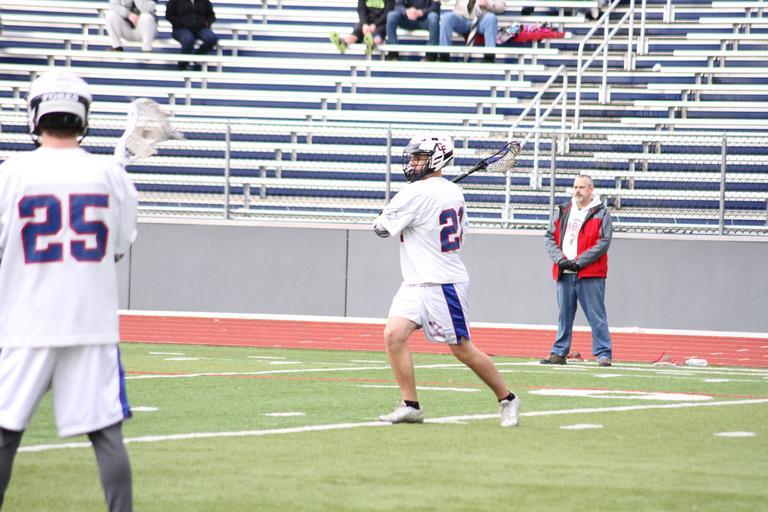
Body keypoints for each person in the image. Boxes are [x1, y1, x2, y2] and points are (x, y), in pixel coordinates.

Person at [0, 71, 138, 511]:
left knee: (4, 432)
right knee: (106, 434)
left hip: (23, 322)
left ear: (36, 114)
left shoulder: (10, 174)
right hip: (89, 323)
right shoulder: (109, 174)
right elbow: (118, 248)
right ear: (82, 116)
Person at [373, 134, 520, 427]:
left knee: (462, 349)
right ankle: (410, 405)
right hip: (416, 281)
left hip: (442, 283)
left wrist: (386, 213)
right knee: (394, 334)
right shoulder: (452, 191)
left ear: (437, 159)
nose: (413, 163)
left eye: (419, 157)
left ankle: (508, 398)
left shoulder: (414, 193)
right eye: (413, 157)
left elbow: (380, 229)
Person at [541, 174, 613, 367]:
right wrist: (560, 260)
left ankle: (603, 353)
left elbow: (603, 242)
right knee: (564, 316)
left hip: (590, 274)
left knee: (596, 316)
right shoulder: (564, 210)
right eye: (575, 187)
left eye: (581, 187)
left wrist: (579, 262)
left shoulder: (601, 213)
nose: (577, 191)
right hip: (564, 272)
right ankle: (559, 352)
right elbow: (549, 237)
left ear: (591, 189)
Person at [439, 0, 506, 63]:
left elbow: (502, 7)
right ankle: (444, 56)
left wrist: (488, 3)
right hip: (461, 19)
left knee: (491, 18)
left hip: (481, 20)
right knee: (446, 17)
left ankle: (489, 58)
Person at [165, 0, 219, 70]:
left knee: (212, 38)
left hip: (201, 28)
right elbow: (169, 15)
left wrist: (206, 23)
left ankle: (197, 57)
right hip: (181, 29)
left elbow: (212, 16)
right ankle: (182, 65)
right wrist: (180, 24)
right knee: (188, 39)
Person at [330, 0, 395, 57]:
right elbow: (361, 9)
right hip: (367, 22)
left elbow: (388, 13)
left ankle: (372, 45)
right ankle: (344, 44)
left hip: (381, 23)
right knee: (356, 32)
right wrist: (364, 24)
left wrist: (375, 25)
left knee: (379, 34)